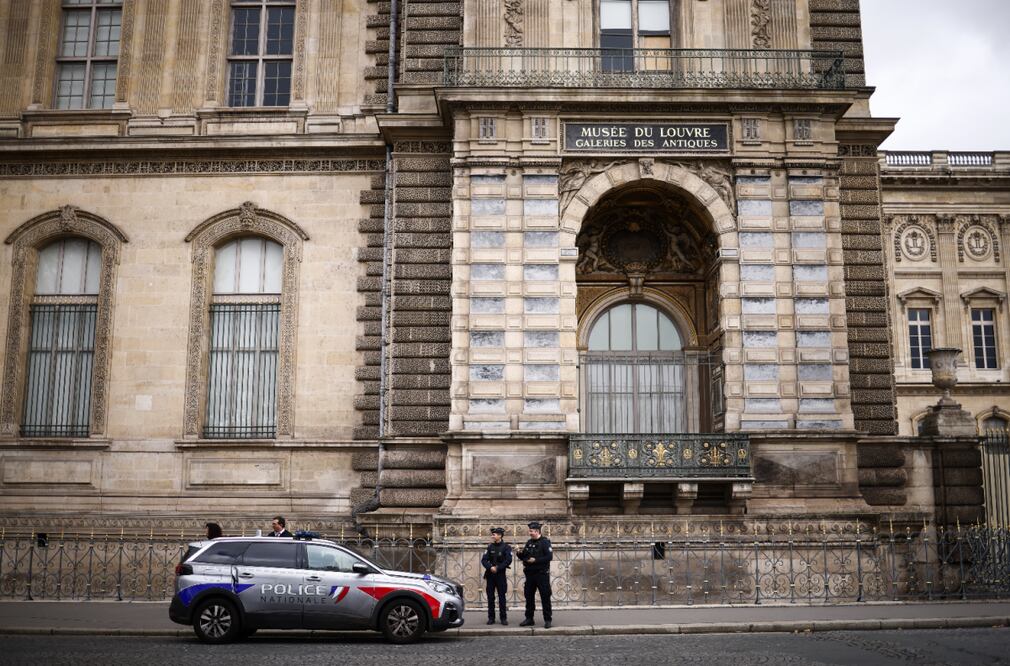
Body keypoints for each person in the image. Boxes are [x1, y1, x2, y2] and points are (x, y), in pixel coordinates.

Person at [517, 520, 552, 628]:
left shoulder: (545, 542)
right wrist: (519, 553)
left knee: (545, 597)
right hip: (530, 575)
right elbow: (525, 557)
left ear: (537, 531)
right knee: (529, 597)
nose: (530, 533)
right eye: (530, 531)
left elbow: (549, 557)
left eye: (531, 531)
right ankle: (529, 618)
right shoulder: (529, 542)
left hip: (541, 575)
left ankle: (547, 620)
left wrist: (535, 560)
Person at [480, 527, 512, 625]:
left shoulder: (506, 547)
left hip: (500, 575)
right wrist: (490, 567)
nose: (492, 536)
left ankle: (503, 618)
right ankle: (491, 618)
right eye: (492, 534)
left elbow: (508, 560)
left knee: (502, 597)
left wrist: (497, 568)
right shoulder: (490, 547)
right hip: (490, 575)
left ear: (499, 535)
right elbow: (484, 560)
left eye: (494, 534)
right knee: (490, 597)